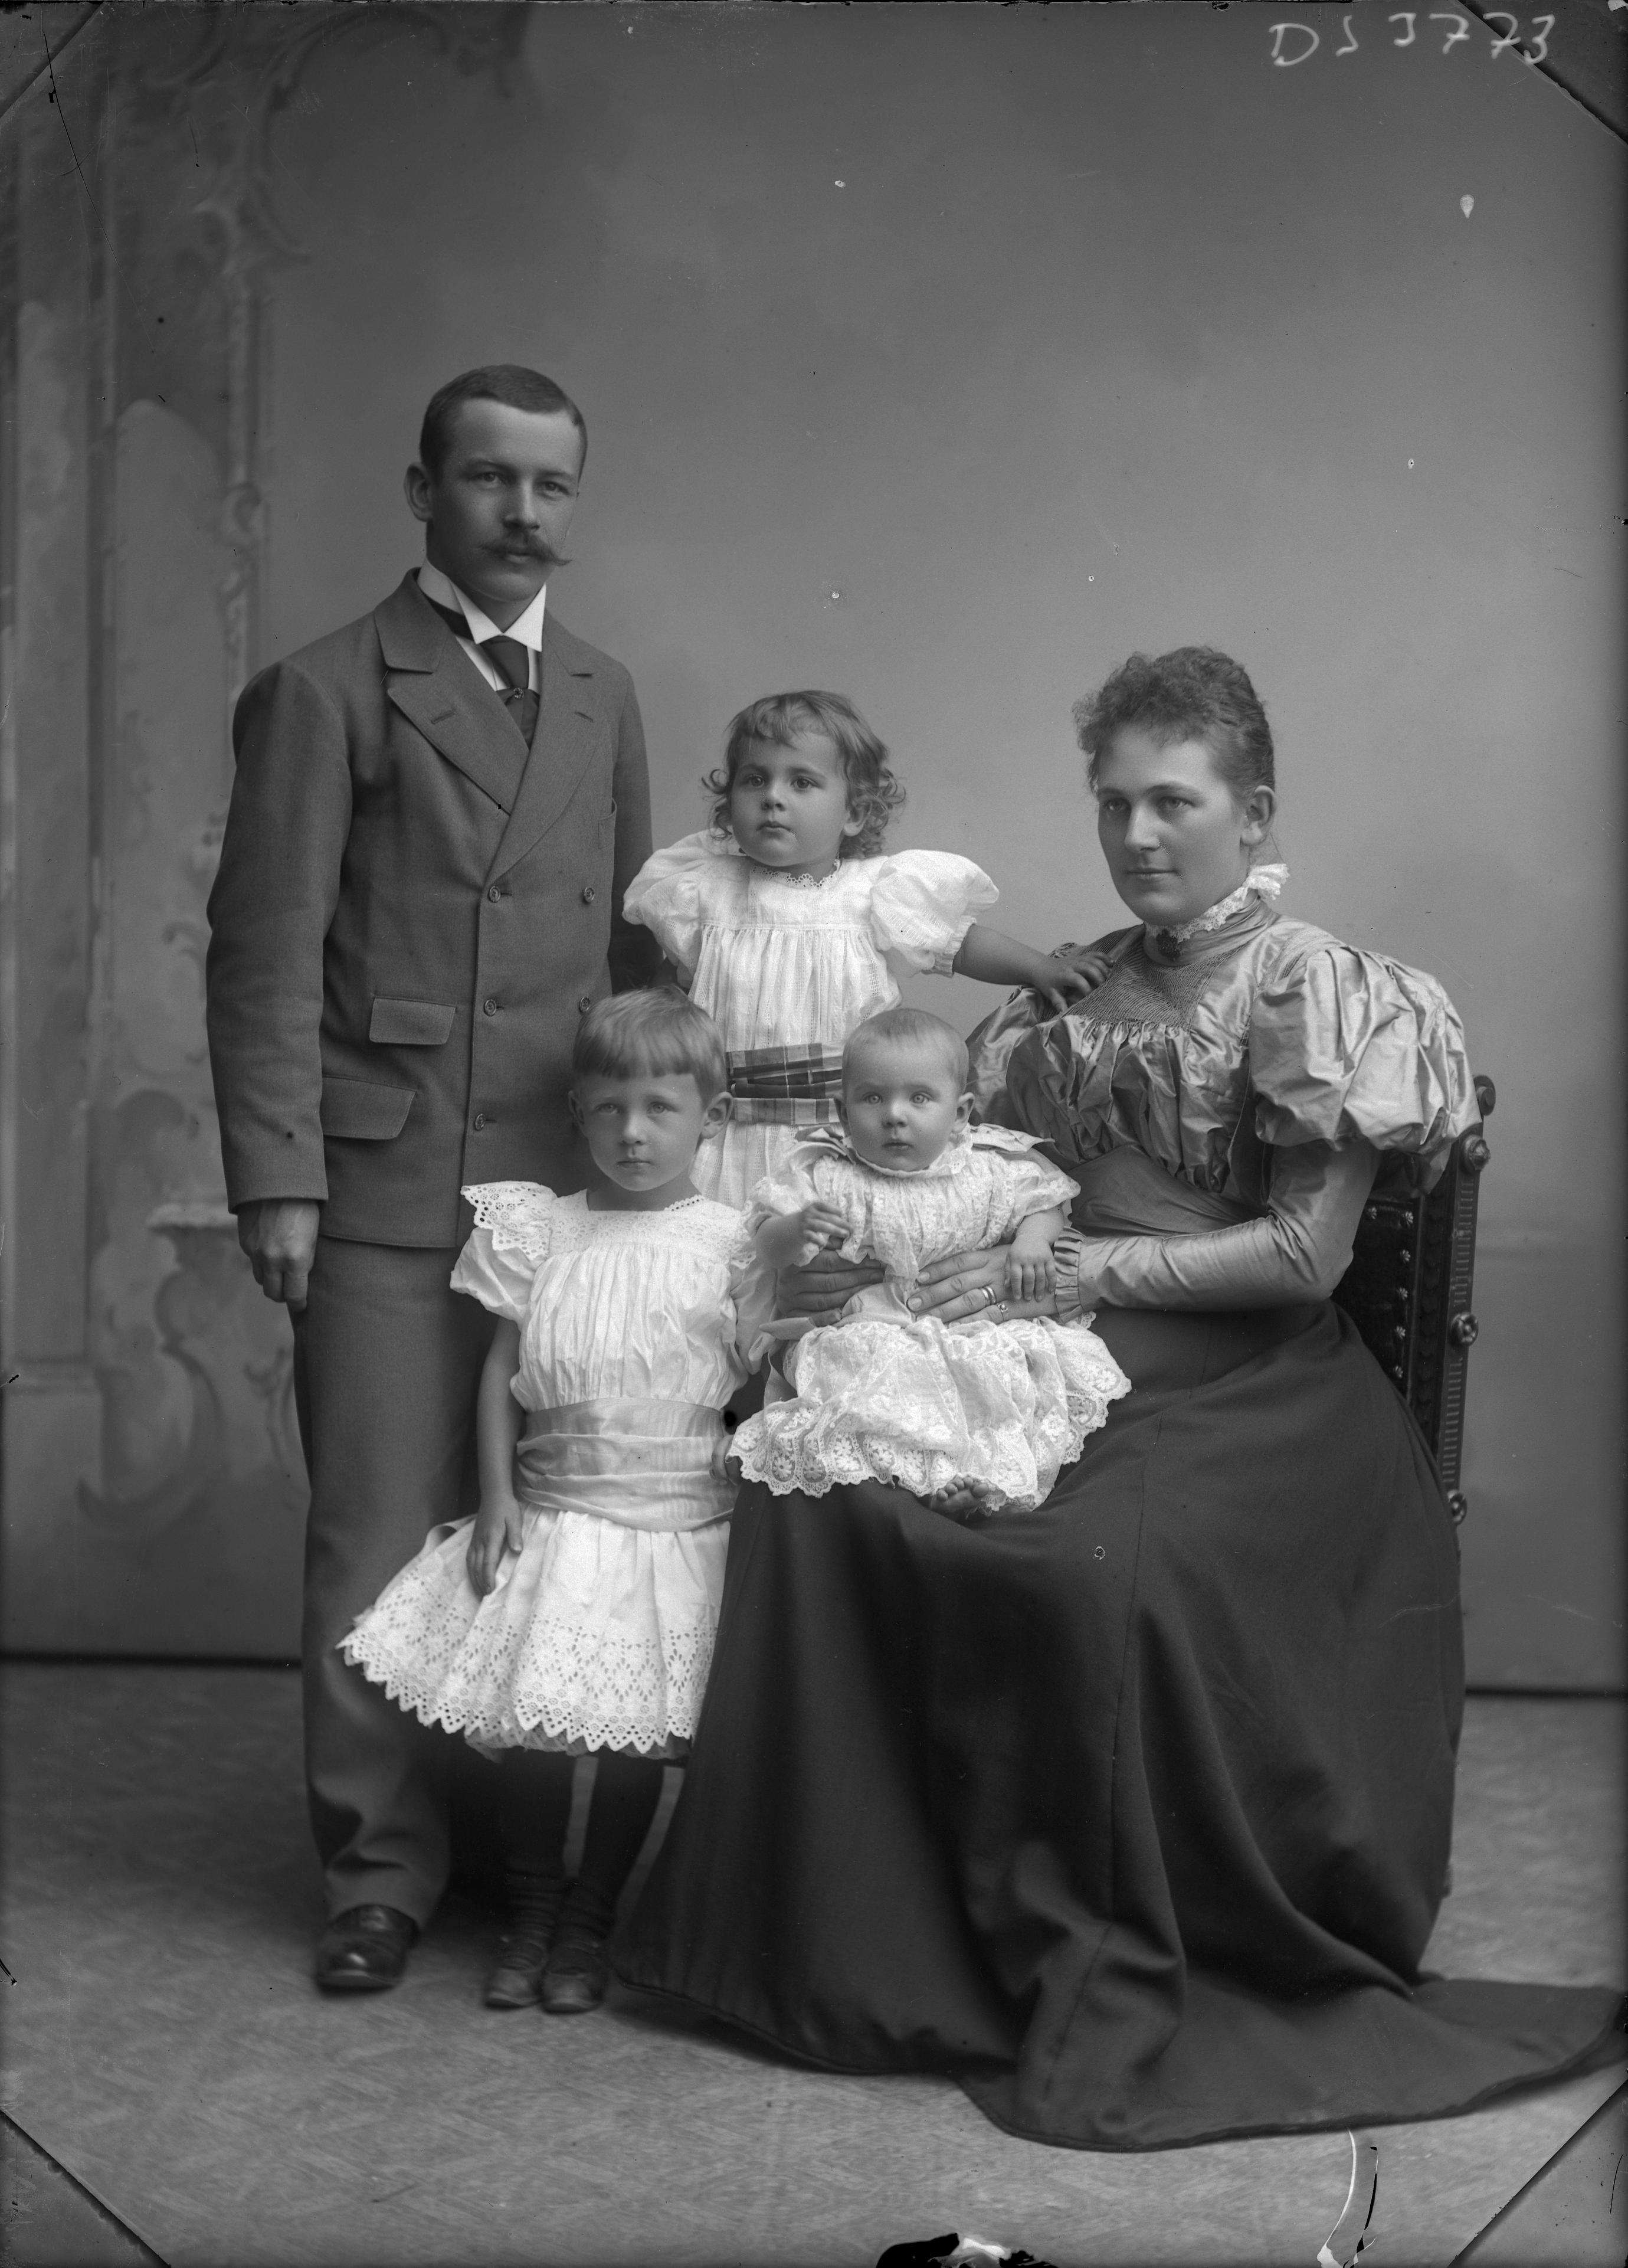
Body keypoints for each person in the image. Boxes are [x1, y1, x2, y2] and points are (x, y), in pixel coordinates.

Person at [618, 647, 1623, 2147]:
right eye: (1111, 804)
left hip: (1260, 1384)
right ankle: (863, 1960)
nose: (1136, 835)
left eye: (1172, 802)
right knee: (825, 1498)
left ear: (1251, 811)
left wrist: (1069, 1273)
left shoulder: (1312, 984)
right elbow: (957, 1177)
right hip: (1058, 1357)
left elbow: (1300, 1257)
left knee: (1089, 1574)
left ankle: (1106, 1945)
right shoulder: (1069, 988)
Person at [205, 365, 661, 1994]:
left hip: (563, 1193)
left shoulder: (601, 692)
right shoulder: (326, 689)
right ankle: (381, 1868)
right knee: (379, 1532)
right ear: (422, 492)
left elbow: (630, 961)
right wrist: (278, 1178)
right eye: (488, 479)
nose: (523, 513)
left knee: (528, 1528)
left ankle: (503, 1850)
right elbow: (263, 953)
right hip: (385, 1182)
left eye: (551, 484)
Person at [340, 991, 768, 2015]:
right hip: (555, 1514)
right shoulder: (544, 1229)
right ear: (577, 1112)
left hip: (673, 1521)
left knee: (626, 1735)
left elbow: (755, 1382)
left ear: (711, 1117)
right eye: (608, 1107)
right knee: (534, 1724)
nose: (632, 1132)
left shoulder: (733, 1241)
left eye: (660, 1107)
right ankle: (530, 1911)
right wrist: (496, 1496)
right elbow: (502, 1371)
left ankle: (588, 1917)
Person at [621, 690, 1111, 1209]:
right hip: (729, 1135)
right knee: (726, 1243)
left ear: (853, 812)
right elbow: (663, 1004)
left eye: (801, 782)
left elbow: (961, 944)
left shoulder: (874, 894)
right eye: (755, 779)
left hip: (849, 1135)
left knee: (840, 1241)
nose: (772, 797)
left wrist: (1040, 967)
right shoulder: (704, 895)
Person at [734, 1007, 1128, 1513]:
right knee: (863, 1387)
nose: (894, 1115)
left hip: (965, 1327)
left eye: (919, 1098)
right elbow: (765, 1241)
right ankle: (911, 1482)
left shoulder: (986, 1168)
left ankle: (972, 1481)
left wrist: (1033, 1240)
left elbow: (1043, 1202)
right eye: (872, 1097)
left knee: (993, 1383)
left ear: (959, 1113)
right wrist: (794, 1229)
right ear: (842, 1111)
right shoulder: (825, 1175)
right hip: (868, 1328)